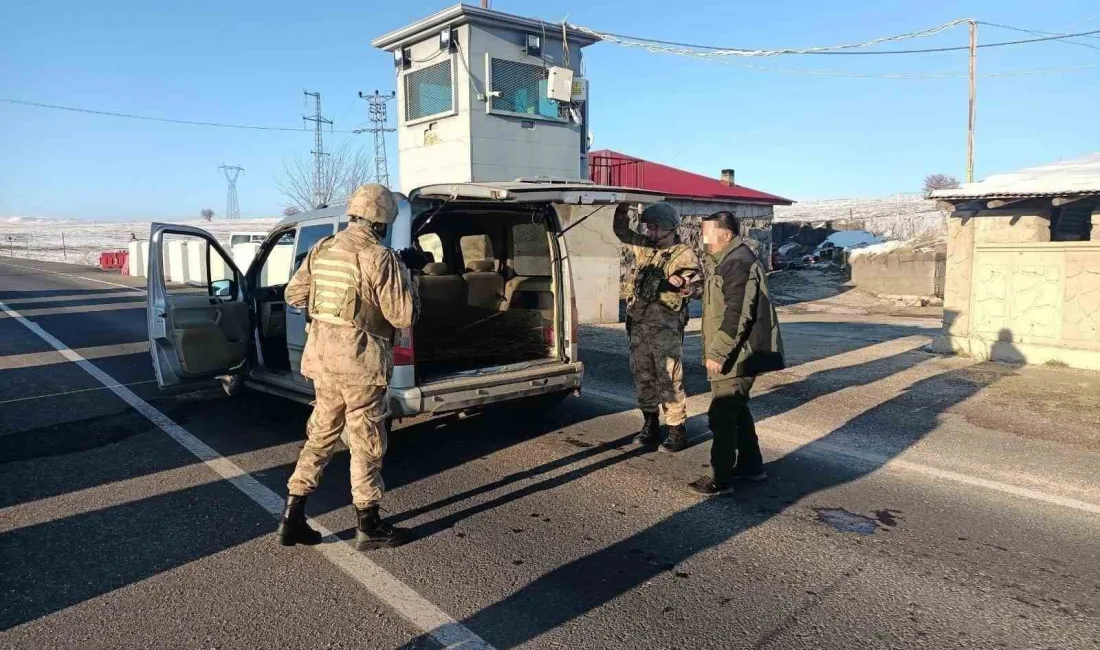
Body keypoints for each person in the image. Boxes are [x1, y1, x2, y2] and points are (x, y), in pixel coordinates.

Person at [277, 183, 421, 550]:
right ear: (382, 221)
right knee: (366, 443)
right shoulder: (380, 257)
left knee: (321, 436)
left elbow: (294, 294)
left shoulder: (322, 249)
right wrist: (409, 274)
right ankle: (369, 525)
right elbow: (403, 315)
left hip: (323, 362)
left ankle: (291, 518)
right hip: (360, 365)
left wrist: (327, 314)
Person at [690, 211, 785, 496]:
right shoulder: (724, 261)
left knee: (722, 414)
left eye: (708, 234)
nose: (703, 239)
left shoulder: (738, 262)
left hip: (737, 353)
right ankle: (751, 467)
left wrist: (718, 352)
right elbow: (722, 298)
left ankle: (721, 479)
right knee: (737, 409)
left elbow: (737, 312)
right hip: (738, 351)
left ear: (726, 235)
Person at [614, 201, 702, 452]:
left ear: (669, 228)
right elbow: (622, 233)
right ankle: (650, 424)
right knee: (642, 376)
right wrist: (622, 207)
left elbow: (698, 287)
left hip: (665, 327)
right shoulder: (646, 248)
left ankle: (677, 430)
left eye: (654, 228)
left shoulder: (683, 254)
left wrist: (683, 285)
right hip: (639, 324)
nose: (649, 233)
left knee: (670, 378)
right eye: (648, 228)